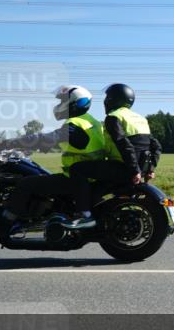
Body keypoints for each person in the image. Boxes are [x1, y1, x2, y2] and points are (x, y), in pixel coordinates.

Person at [0, 85, 106, 231]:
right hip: (91, 176)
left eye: (63, 101)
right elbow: (70, 144)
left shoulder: (74, 124)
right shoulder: (92, 122)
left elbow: (48, 138)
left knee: (26, 184)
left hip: (76, 179)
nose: (60, 105)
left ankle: (6, 225)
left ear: (76, 102)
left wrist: (10, 143)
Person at [65, 83, 161, 229]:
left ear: (113, 99)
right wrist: (150, 168)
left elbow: (123, 144)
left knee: (77, 169)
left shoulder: (113, 117)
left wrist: (134, 170)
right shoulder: (140, 119)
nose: (105, 101)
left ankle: (84, 214)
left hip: (123, 167)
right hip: (138, 167)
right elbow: (156, 146)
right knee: (97, 186)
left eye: (107, 97)